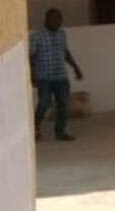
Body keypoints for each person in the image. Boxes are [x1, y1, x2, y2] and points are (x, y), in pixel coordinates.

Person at [29, 8, 84, 142]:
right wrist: (33, 74)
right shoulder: (37, 35)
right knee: (44, 103)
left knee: (63, 104)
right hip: (44, 77)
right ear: (47, 19)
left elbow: (65, 52)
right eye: (54, 19)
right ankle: (35, 127)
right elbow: (32, 56)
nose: (57, 22)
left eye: (59, 20)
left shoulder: (62, 34)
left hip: (61, 76)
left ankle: (60, 132)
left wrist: (76, 67)